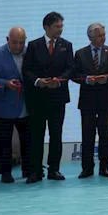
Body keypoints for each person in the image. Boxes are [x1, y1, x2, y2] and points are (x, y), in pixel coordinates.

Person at [22, 12, 74, 183]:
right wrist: (38, 81)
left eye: (61, 26)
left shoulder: (66, 45)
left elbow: (70, 69)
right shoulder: (33, 45)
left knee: (56, 134)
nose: (60, 29)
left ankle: (54, 169)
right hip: (37, 98)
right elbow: (26, 70)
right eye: (56, 26)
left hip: (58, 97)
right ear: (46, 27)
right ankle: (36, 171)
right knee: (36, 135)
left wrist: (59, 80)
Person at [0, 27, 32, 183]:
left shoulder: (30, 53)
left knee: (28, 140)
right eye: (15, 42)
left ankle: (28, 170)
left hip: (26, 105)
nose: (18, 46)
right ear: (7, 40)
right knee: (3, 142)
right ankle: (5, 172)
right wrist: (4, 83)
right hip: (2, 106)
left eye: (22, 42)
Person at [73, 23, 108, 178]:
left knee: (105, 134)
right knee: (87, 134)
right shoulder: (80, 54)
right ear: (90, 37)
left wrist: (106, 79)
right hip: (87, 100)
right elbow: (74, 74)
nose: (103, 38)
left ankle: (104, 166)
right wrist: (87, 79)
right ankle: (87, 168)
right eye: (100, 35)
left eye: (104, 35)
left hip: (106, 99)